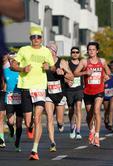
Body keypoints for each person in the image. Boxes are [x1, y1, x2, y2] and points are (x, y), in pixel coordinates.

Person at [11, 26, 55, 160]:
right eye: (33, 37)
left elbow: (53, 67)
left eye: (38, 37)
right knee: (28, 120)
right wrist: (22, 68)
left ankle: (34, 150)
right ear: (30, 38)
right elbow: (13, 65)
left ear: (42, 38)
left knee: (37, 118)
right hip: (25, 87)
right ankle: (29, 127)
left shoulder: (46, 51)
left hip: (40, 88)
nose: (36, 39)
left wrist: (49, 68)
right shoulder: (24, 50)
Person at [74, 42, 110, 147]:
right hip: (88, 92)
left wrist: (107, 75)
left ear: (97, 51)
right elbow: (75, 73)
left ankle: (97, 136)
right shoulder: (84, 62)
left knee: (96, 110)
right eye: (89, 49)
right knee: (89, 114)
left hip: (99, 90)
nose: (91, 51)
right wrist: (85, 73)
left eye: (93, 49)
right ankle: (92, 130)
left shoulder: (102, 61)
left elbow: (108, 71)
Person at [45, 42, 73, 152]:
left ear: (53, 51)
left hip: (60, 93)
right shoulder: (44, 62)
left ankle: (61, 124)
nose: (46, 51)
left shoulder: (62, 62)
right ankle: (52, 142)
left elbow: (71, 76)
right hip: (48, 93)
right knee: (49, 117)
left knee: (59, 120)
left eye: (48, 49)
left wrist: (63, 73)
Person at [2, 53, 23, 151]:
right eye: (12, 61)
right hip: (9, 99)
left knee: (19, 123)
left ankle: (17, 143)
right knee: (10, 121)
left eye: (15, 61)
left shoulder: (21, 72)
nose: (13, 63)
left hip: (20, 100)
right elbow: (3, 83)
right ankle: (11, 130)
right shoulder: (6, 71)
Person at [65, 47, 84, 140]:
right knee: (71, 110)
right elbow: (63, 75)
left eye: (77, 52)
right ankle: (72, 126)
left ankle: (78, 131)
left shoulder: (82, 64)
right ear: (71, 53)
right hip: (69, 90)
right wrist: (67, 81)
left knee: (79, 108)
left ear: (79, 54)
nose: (75, 54)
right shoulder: (67, 64)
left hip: (79, 89)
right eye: (73, 52)